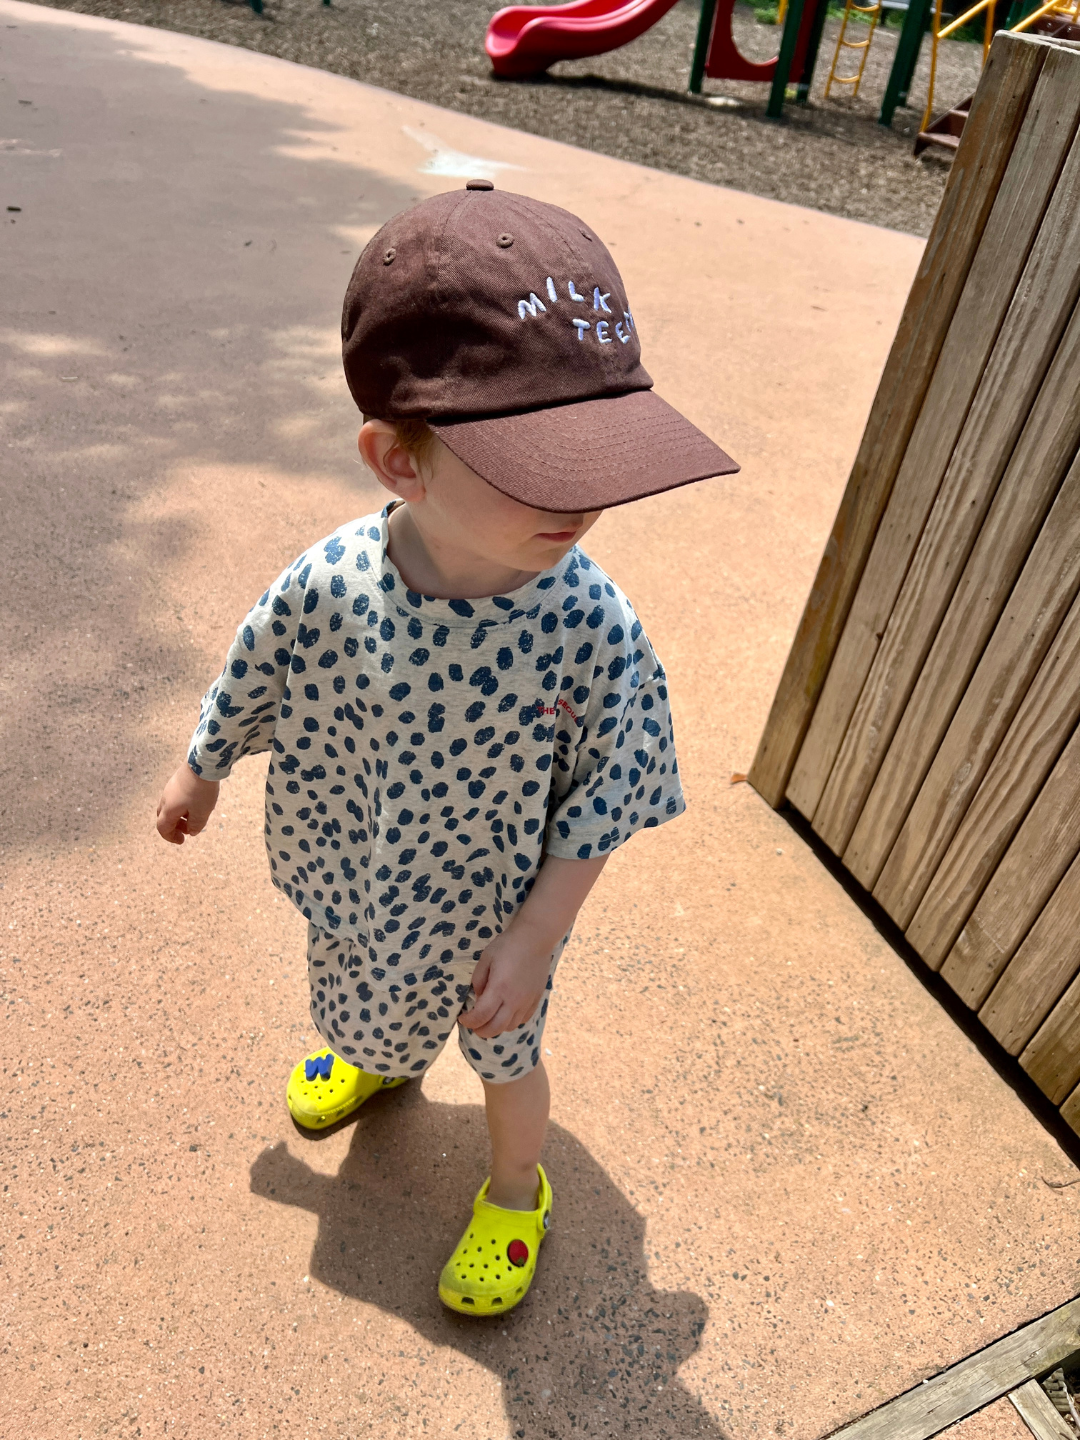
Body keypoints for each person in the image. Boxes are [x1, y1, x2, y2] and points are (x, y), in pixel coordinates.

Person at [155, 180, 737, 1316]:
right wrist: (203, 764)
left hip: (493, 913)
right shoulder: (332, 578)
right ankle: (380, 1055)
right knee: (364, 978)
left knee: (507, 1057)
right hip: (363, 862)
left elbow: (603, 799)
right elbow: (256, 659)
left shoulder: (588, 626)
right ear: (400, 462)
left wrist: (535, 937)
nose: (588, 497)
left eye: (602, 452)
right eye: (542, 464)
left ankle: (518, 1190)